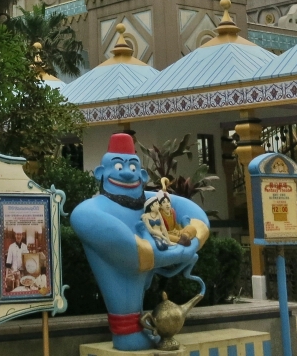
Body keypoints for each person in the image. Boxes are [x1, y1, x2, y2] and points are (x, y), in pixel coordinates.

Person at [69, 134, 209, 351]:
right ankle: (128, 332)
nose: (127, 173)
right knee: (126, 307)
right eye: (118, 166)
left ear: (142, 175)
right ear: (100, 173)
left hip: (155, 251)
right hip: (125, 269)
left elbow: (196, 216)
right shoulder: (89, 211)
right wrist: (178, 252)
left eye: (133, 167)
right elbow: (132, 253)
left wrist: (191, 234)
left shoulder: (153, 200)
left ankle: (135, 329)